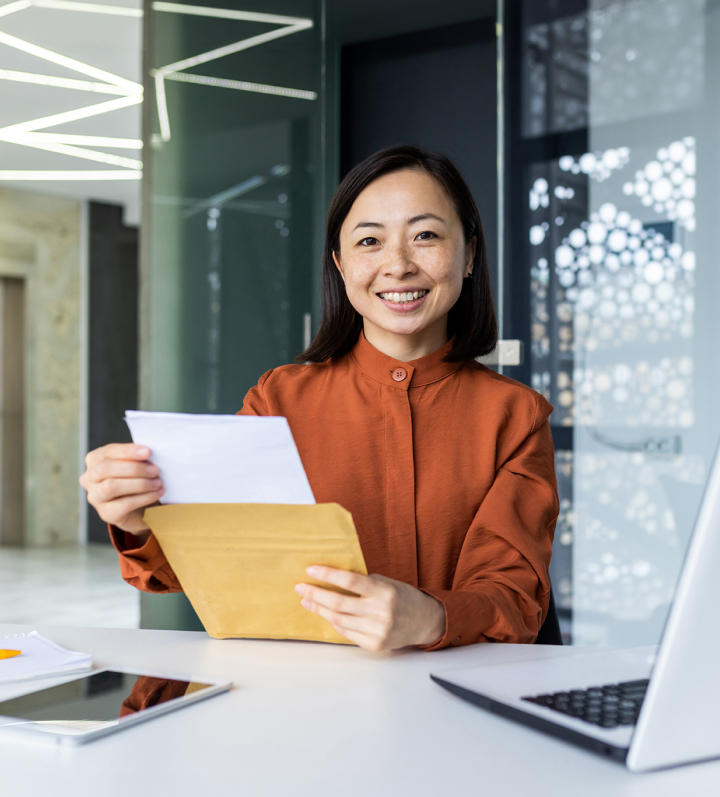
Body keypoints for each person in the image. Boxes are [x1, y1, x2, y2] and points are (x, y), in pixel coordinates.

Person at [81, 145, 559, 652]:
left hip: (454, 700)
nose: (397, 265)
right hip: (294, 697)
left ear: (468, 255)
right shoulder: (277, 399)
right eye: (370, 241)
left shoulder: (517, 417)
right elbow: (220, 558)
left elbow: (513, 596)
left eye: (425, 236)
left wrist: (432, 617)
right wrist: (138, 522)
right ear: (340, 263)